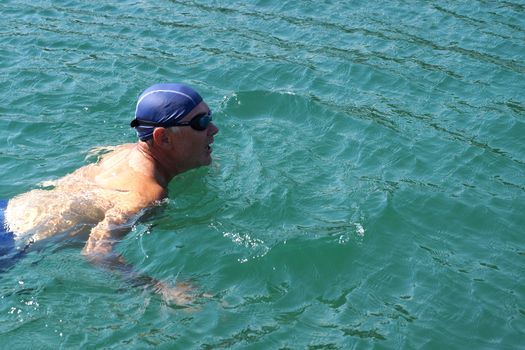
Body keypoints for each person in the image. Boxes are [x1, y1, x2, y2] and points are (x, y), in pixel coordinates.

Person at [1, 83, 219, 303]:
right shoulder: (146, 194)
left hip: (9, 208)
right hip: (13, 244)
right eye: (201, 123)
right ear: (163, 138)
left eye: (209, 117)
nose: (214, 129)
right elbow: (97, 251)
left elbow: (95, 153)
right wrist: (160, 289)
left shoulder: (122, 151)